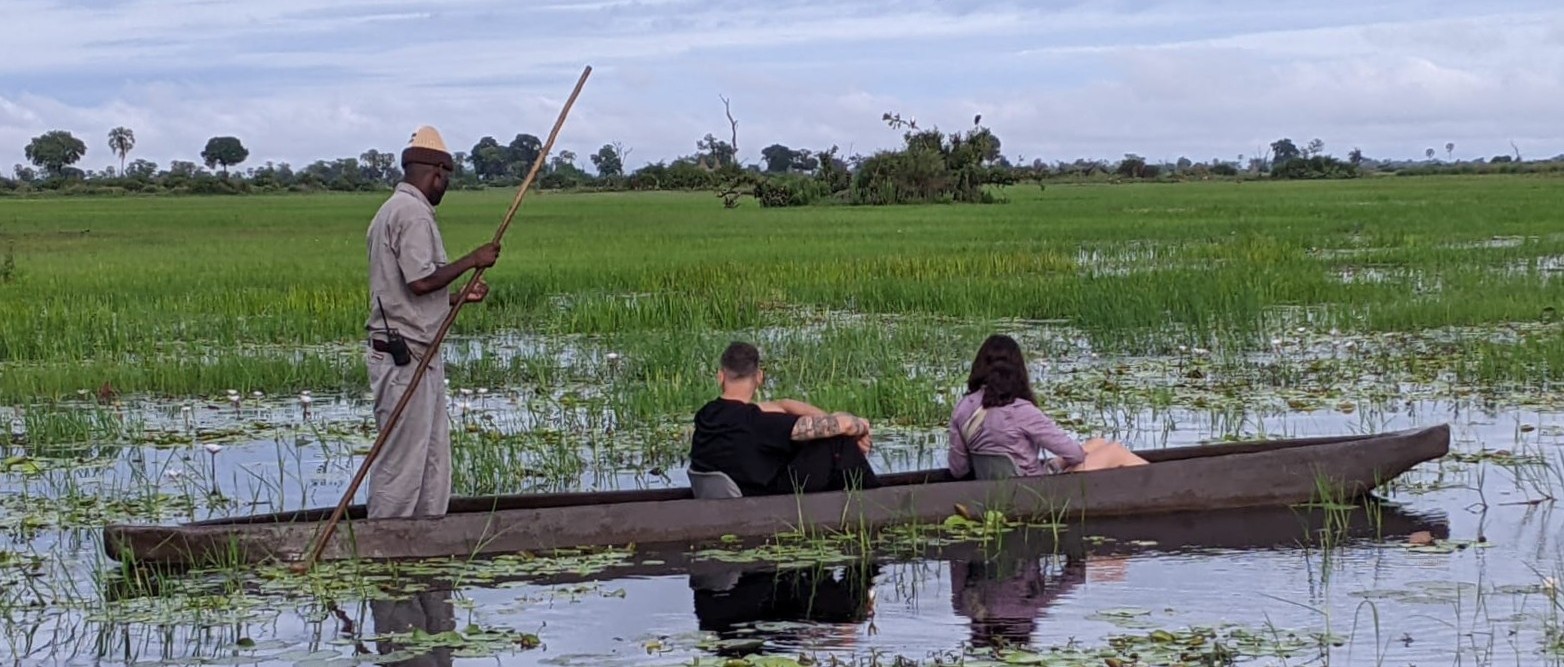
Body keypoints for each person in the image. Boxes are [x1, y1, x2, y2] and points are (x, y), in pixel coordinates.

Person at [364, 125, 501, 519]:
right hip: (404, 357)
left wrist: (457, 298)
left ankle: (426, 538)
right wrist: (472, 260)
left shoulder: (393, 210)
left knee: (431, 461)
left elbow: (405, 292)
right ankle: (386, 539)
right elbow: (420, 281)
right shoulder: (411, 214)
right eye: (447, 180)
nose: (446, 188)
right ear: (437, 174)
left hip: (416, 352)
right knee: (402, 464)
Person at [689, 341, 881, 496]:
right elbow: (844, 425)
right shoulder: (758, 423)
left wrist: (828, 418)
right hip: (757, 500)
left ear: (721, 376)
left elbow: (780, 405)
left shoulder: (707, 414)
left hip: (729, 492)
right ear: (759, 377)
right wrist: (860, 426)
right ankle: (875, 501)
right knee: (836, 442)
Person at [948, 335, 1147, 479]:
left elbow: (959, 470)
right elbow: (1075, 455)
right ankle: (1161, 484)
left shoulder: (963, 407)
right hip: (1034, 491)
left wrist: (1057, 463)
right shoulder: (1021, 410)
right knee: (1115, 451)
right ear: (1017, 371)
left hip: (994, 488)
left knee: (1097, 443)